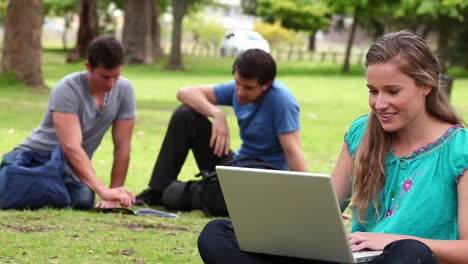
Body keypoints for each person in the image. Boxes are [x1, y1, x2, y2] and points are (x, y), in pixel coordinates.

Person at [197, 30, 468, 263]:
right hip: (352, 257)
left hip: (402, 259)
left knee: (410, 252)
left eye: (392, 91)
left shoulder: (460, 149)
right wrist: (277, 226)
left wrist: (391, 240)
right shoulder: (362, 132)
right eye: (373, 91)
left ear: (427, 85)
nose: (379, 103)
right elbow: (323, 210)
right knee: (217, 233)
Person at [135, 48, 308, 206]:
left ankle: (187, 191)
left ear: (266, 85)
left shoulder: (281, 101)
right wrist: (217, 113)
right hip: (237, 166)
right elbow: (185, 92)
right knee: (185, 114)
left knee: (173, 196)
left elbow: (293, 151)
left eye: (248, 88)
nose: (239, 92)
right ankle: (158, 190)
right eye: (237, 84)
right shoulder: (237, 88)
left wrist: (305, 198)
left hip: (262, 182)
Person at [0, 35, 136, 210]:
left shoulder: (125, 89)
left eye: (115, 76)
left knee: (84, 197)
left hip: (66, 171)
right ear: (88, 66)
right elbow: (71, 147)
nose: (111, 84)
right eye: (104, 77)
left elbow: (123, 146)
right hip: (34, 160)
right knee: (82, 196)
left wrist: (113, 194)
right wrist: (102, 190)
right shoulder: (68, 89)